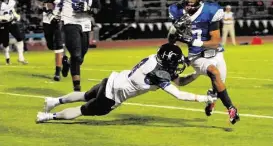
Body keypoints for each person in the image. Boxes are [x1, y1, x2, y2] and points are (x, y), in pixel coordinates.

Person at [36, 43, 217, 123]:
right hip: (112, 96)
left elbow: (177, 73)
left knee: (84, 95)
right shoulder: (159, 73)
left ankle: (54, 101)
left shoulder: (154, 58)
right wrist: (205, 99)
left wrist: (195, 72)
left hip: (111, 80)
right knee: (82, 110)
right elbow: (179, 93)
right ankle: (48, 117)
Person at [168, 0, 240, 124]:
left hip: (215, 52)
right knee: (214, 72)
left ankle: (211, 98)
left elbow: (215, 42)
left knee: (219, 87)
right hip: (196, 56)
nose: (188, 0)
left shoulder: (210, 10)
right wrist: (175, 31)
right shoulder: (176, 10)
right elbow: (171, 39)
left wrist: (192, 40)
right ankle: (232, 110)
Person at [45, 0, 102, 91]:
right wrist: (52, 14)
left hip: (85, 22)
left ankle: (67, 63)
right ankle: (77, 87)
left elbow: (98, 7)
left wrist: (90, 9)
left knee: (80, 57)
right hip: (69, 20)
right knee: (76, 55)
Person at [41, 0, 67, 81]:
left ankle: (58, 71)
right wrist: (47, 9)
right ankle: (64, 59)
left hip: (62, 18)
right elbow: (39, 2)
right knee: (51, 45)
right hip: (48, 18)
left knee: (58, 44)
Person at [0, 0, 28, 65]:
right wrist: (2, 18)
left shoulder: (12, 1)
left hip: (11, 22)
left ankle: (21, 57)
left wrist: (16, 15)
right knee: (5, 42)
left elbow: (12, 10)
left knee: (20, 38)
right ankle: (7, 58)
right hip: (2, 23)